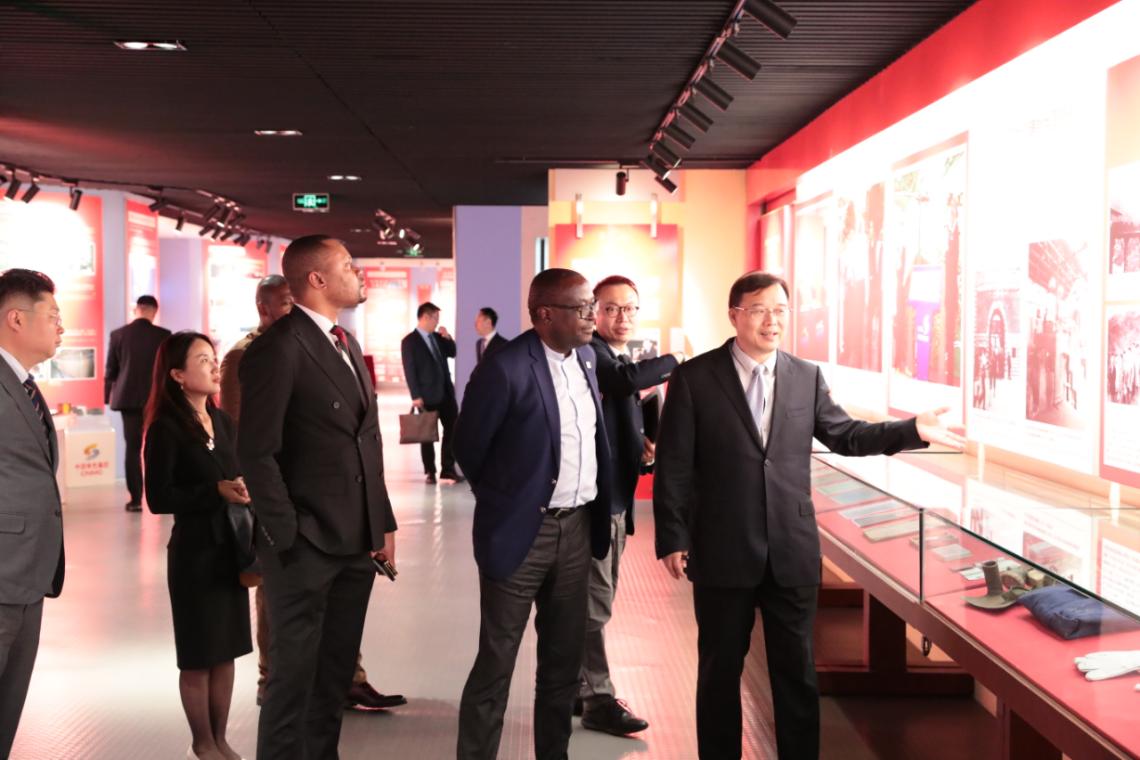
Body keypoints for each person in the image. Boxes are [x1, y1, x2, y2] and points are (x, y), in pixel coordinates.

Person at [653, 271, 965, 760]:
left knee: (796, 675)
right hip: (721, 547)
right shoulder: (695, 378)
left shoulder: (805, 376)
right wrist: (673, 536)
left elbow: (846, 435)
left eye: (780, 310)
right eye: (759, 310)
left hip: (791, 548)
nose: (772, 321)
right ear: (734, 315)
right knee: (719, 672)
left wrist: (911, 431)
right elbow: (673, 463)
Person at [238, 235, 398, 759]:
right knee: (292, 681)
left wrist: (382, 523)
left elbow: (366, 442)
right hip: (305, 544)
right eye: (348, 266)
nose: (359, 273)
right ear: (317, 279)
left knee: (332, 678)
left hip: (354, 541)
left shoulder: (343, 342)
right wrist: (287, 533)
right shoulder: (278, 348)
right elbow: (256, 451)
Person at [454, 268, 613, 760]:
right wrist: (510, 501)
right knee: (497, 662)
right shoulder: (505, 368)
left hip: (577, 529)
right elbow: (468, 448)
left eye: (592, 306)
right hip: (521, 534)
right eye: (582, 308)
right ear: (544, 314)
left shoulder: (586, 359)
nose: (592, 316)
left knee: (562, 664)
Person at [576, 275, 681, 736]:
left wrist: (643, 446)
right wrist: (677, 360)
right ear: (594, 312)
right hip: (598, 505)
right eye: (613, 308)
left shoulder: (616, 356)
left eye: (631, 308)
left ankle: (577, 687)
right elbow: (622, 383)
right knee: (594, 604)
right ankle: (597, 698)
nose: (623, 317)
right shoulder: (594, 353)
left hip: (616, 499)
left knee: (597, 600)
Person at [144, 331, 252, 760]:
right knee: (198, 654)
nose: (213, 366)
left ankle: (221, 738)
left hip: (231, 548)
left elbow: (238, 473)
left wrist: (242, 488)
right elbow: (159, 497)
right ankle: (202, 742)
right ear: (177, 375)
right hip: (195, 553)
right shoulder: (166, 428)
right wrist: (214, 491)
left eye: (213, 357)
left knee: (226, 652)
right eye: (202, 359)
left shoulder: (224, 422)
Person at [0, 269, 65, 758]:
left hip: (28, 574)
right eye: (53, 315)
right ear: (16, 319)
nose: (61, 326)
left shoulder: (23, 384)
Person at [105, 294, 171, 511]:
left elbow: (111, 370)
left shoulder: (119, 334)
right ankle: (161, 496)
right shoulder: (164, 336)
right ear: (154, 311)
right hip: (157, 399)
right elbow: (168, 370)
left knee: (132, 449)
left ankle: (135, 500)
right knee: (160, 446)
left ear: (137, 309)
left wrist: (107, 397)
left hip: (128, 399)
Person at [401, 302, 463, 484]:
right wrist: (415, 396)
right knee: (426, 435)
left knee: (452, 430)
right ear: (425, 317)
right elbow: (409, 369)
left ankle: (448, 469)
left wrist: (448, 337)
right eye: (435, 318)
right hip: (426, 396)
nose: (437, 322)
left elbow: (453, 352)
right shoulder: (409, 341)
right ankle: (430, 471)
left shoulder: (438, 337)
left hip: (446, 393)